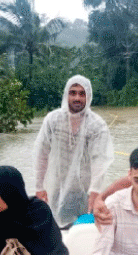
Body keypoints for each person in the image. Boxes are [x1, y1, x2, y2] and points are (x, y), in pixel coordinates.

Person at [33, 75, 114, 226]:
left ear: (88, 97)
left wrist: (95, 192)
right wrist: (39, 187)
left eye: (82, 93)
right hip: (57, 189)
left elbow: (99, 161)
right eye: (73, 92)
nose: (77, 97)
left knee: (85, 231)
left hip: (86, 192)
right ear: (66, 94)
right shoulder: (53, 120)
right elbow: (41, 154)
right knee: (56, 230)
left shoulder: (97, 125)